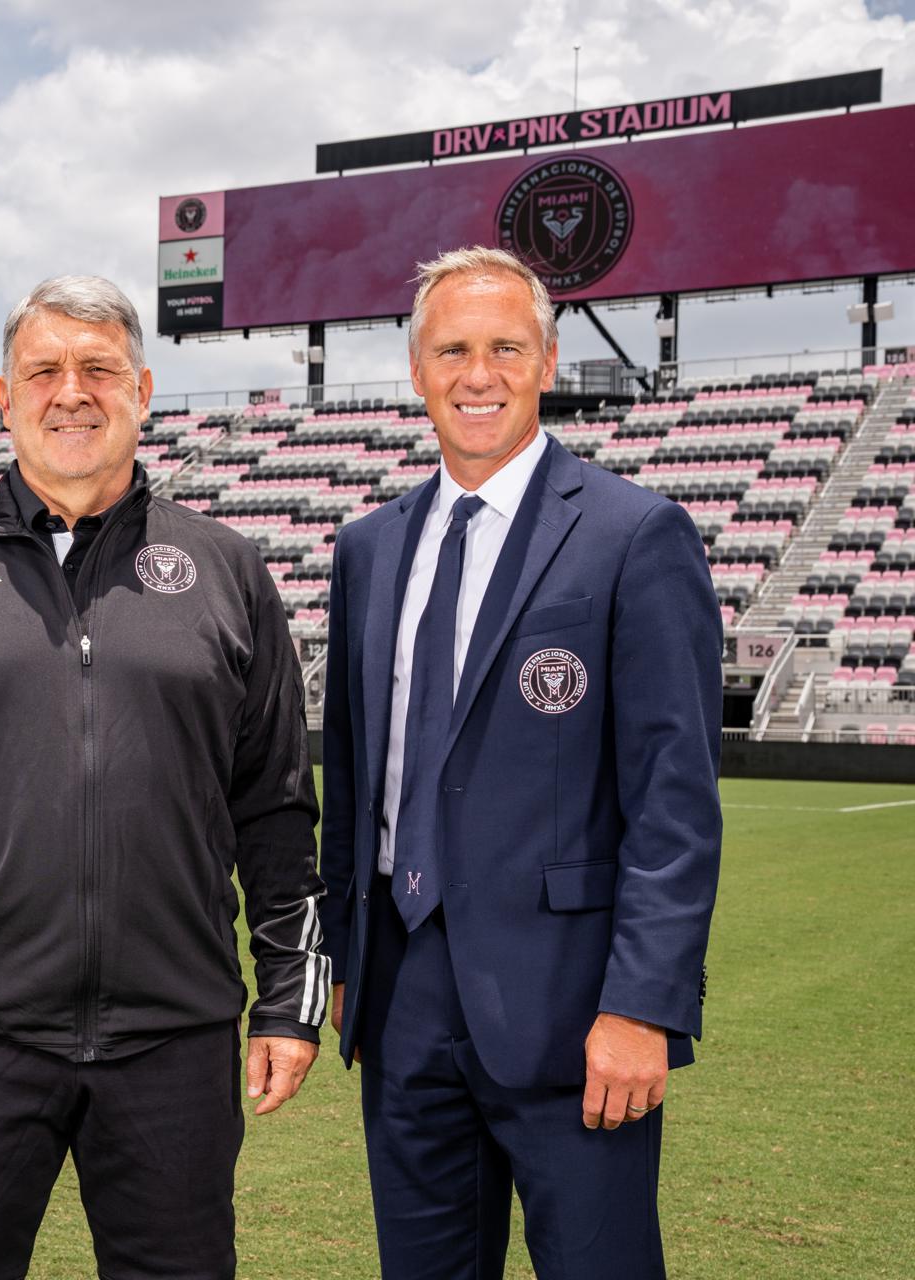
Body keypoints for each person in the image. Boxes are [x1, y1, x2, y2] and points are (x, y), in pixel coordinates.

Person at [0, 275, 326, 1279]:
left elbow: (274, 806)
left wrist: (292, 993)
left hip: (175, 1033)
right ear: (5, 395)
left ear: (144, 388)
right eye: (44, 370)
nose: (71, 392)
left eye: (99, 369)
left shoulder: (225, 569)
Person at [319, 246, 721, 1278]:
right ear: (416, 370)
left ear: (547, 358)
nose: (478, 372)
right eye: (452, 348)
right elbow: (356, 778)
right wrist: (344, 958)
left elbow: (674, 799)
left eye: (505, 346)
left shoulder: (635, 534)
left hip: (574, 1008)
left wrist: (645, 1003)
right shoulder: (367, 548)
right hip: (403, 996)